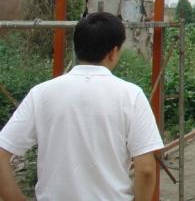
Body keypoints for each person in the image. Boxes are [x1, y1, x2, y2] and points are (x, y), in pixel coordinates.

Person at [0, 12, 164, 201]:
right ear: (113, 52)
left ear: (77, 48)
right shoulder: (131, 95)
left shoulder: (41, 93)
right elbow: (146, 170)